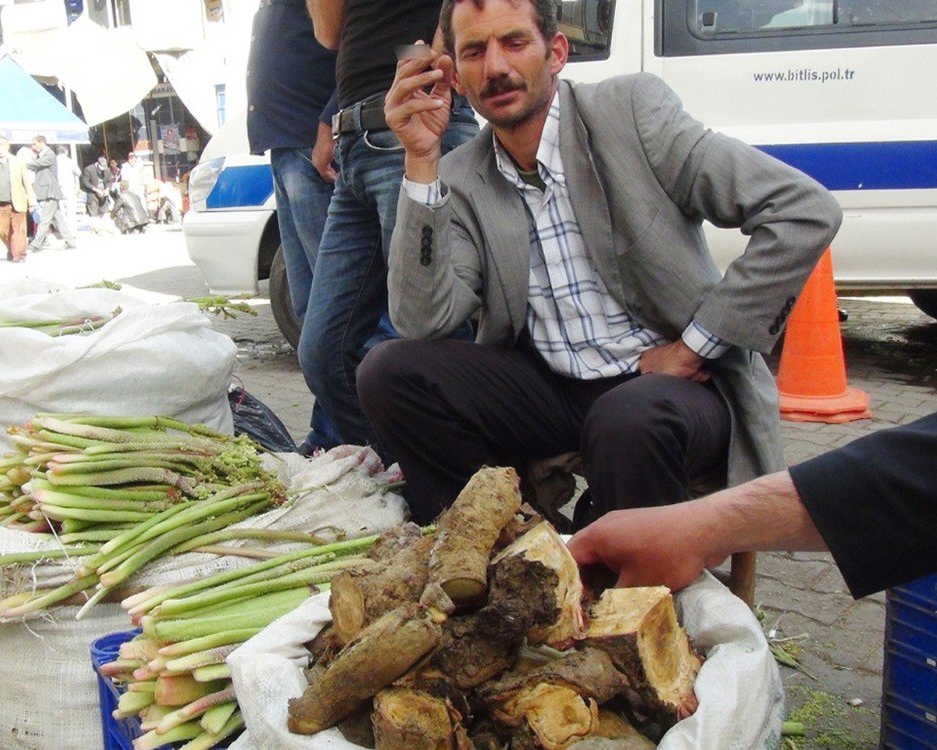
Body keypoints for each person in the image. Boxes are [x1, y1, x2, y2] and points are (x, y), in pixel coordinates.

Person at [356, 0, 842, 525]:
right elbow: (421, 320)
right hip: (550, 388)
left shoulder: (631, 112)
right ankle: (506, 539)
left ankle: (623, 576)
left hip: (674, 387)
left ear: (557, 51)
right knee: (389, 371)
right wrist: (421, 163)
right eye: (474, 51)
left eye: (514, 43)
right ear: (457, 75)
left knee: (628, 420)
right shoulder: (461, 173)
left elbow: (803, 211)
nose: (495, 68)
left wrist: (694, 345)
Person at [299, 0, 479, 448]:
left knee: (434, 339)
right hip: (355, 141)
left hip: (417, 121)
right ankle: (401, 469)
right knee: (322, 353)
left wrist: (435, 63)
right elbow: (331, 33)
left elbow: (446, 30)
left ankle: (463, 482)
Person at [568, 412, 937, 599]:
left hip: (687, 373)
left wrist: (703, 527)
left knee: (633, 424)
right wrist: (704, 528)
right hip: (547, 383)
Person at [249, 0, 342, 455]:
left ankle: (343, 433)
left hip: (313, 142)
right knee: (310, 312)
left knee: (335, 312)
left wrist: (331, 115)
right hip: (289, 143)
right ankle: (329, 432)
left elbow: (360, 41)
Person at [0, 135, 35, 263]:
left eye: (2, 145)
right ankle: (12, 248)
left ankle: (20, 255)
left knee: (19, 230)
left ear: (8, 146)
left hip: (18, 201)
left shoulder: (18, 162)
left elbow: (26, 182)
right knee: (0, 229)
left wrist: (31, 201)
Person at [26, 135, 78, 251]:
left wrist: (21, 164)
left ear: (41, 143)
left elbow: (36, 164)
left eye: (34, 144)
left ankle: (36, 244)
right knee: (59, 219)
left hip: (51, 191)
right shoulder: (42, 155)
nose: (32, 146)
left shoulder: (49, 155)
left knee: (44, 219)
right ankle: (71, 242)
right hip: (48, 191)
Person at [55, 145, 81, 229]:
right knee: (71, 210)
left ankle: (62, 230)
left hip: (57, 188)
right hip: (69, 187)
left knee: (61, 210)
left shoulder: (53, 161)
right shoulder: (70, 161)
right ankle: (71, 230)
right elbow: (78, 173)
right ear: (66, 151)